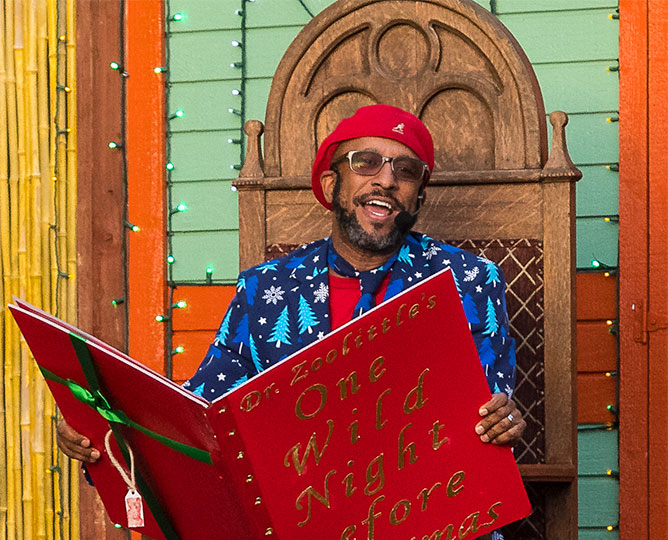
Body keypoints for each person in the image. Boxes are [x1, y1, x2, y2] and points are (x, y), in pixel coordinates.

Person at [57, 104, 526, 484]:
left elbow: (487, 409)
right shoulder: (266, 289)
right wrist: (102, 432)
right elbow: (202, 413)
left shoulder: (469, 280)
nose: (385, 179)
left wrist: (504, 420)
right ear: (331, 184)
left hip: (426, 511)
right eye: (366, 163)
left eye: (406, 170)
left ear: (418, 196)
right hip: (303, 511)